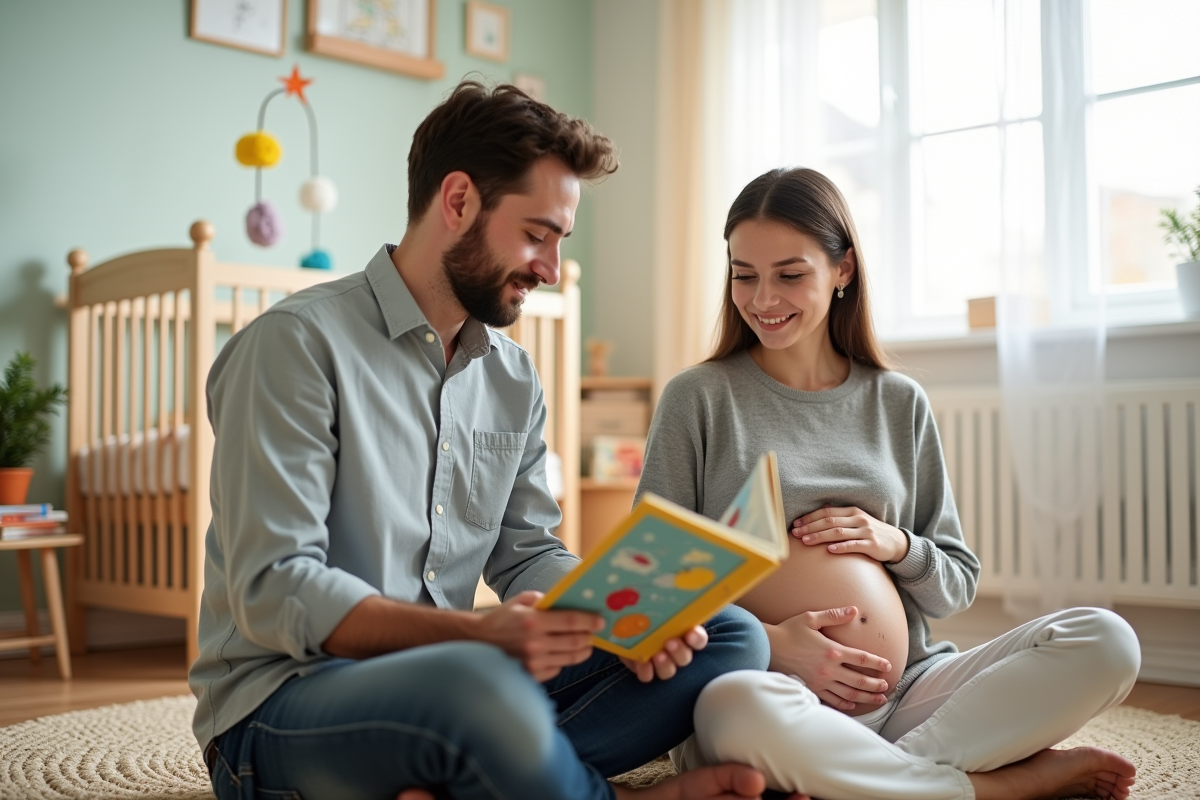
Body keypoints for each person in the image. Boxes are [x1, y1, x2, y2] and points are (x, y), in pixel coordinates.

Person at [188, 80, 772, 800]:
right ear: (458, 201)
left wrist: (627, 613)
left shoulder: (512, 377)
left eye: (560, 243)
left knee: (730, 635)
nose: (550, 271)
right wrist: (475, 636)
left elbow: (526, 551)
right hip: (282, 706)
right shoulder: (294, 346)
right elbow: (275, 591)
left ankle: (482, 774)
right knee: (472, 692)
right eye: (537, 235)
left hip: (456, 683)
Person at [636, 167, 1143, 800]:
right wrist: (773, 646)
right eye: (744, 275)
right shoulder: (699, 398)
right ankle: (996, 788)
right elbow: (649, 595)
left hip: (906, 695)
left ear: (843, 269)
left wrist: (895, 545)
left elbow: (954, 582)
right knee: (734, 706)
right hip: (770, 690)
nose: (763, 299)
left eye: (790, 274)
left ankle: (874, 777)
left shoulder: (898, 402)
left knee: (1106, 640)